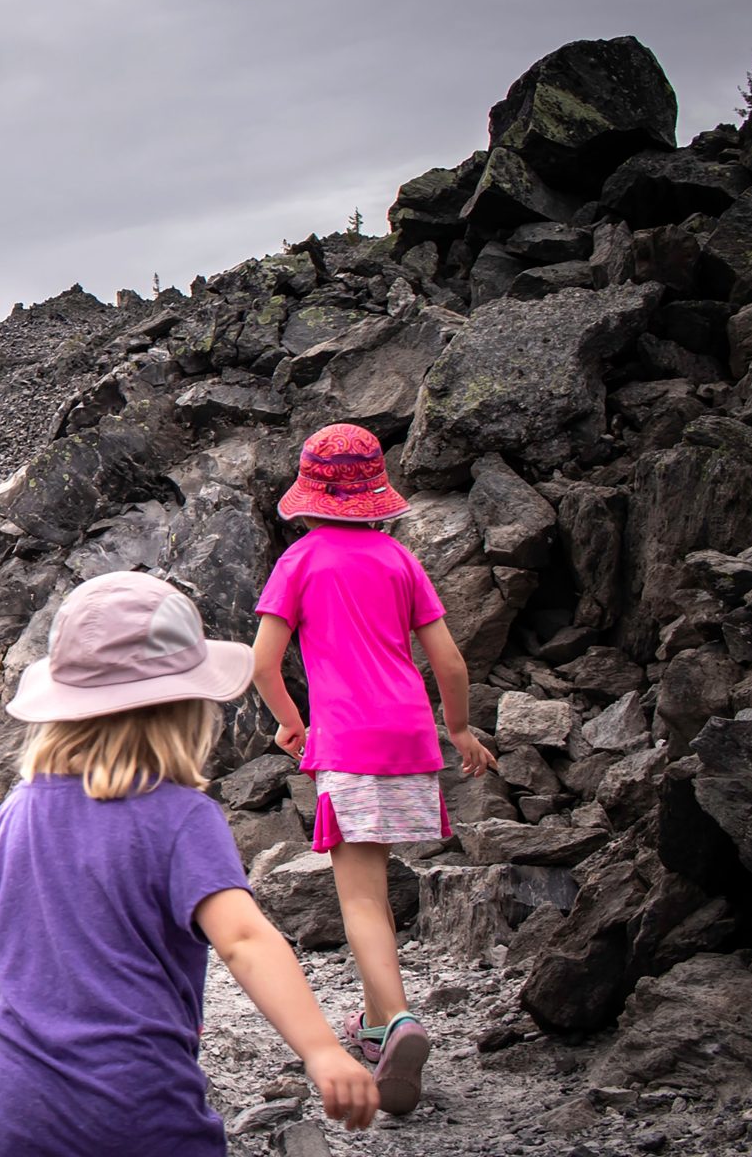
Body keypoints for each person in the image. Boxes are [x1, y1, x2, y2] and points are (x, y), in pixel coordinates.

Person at [0, 570, 380, 1156]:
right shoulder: (182, 818)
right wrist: (322, 1049)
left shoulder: (7, 820)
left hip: (13, 1108)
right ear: (186, 709)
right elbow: (245, 940)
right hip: (139, 1104)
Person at [248, 422, 496, 1117]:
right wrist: (460, 728)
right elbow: (448, 661)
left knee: (356, 897)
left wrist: (293, 725)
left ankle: (398, 1020)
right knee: (376, 888)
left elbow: (263, 664)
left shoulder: (300, 561)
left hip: (349, 739)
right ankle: (378, 1021)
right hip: (409, 736)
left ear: (310, 494)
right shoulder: (398, 560)